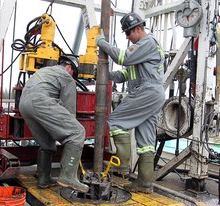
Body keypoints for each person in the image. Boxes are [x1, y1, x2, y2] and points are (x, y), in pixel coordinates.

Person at [96, 12, 165, 193]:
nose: (127, 38)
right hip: (153, 94)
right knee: (146, 142)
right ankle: (144, 183)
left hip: (147, 91)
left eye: (128, 33)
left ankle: (122, 166)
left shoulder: (147, 43)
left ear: (137, 29)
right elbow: (125, 74)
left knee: (116, 120)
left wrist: (102, 43)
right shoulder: (142, 51)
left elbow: (123, 57)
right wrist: (104, 75)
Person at [19, 55, 89, 193]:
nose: (72, 76)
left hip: (24, 104)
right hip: (40, 102)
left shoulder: (45, 71)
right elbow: (69, 111)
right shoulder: (67, 77)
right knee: (77, 132)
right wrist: (71, 132)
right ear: (69, 67)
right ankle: (68, 176)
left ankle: (44, 178)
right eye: (73, 73)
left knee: (47, 143)